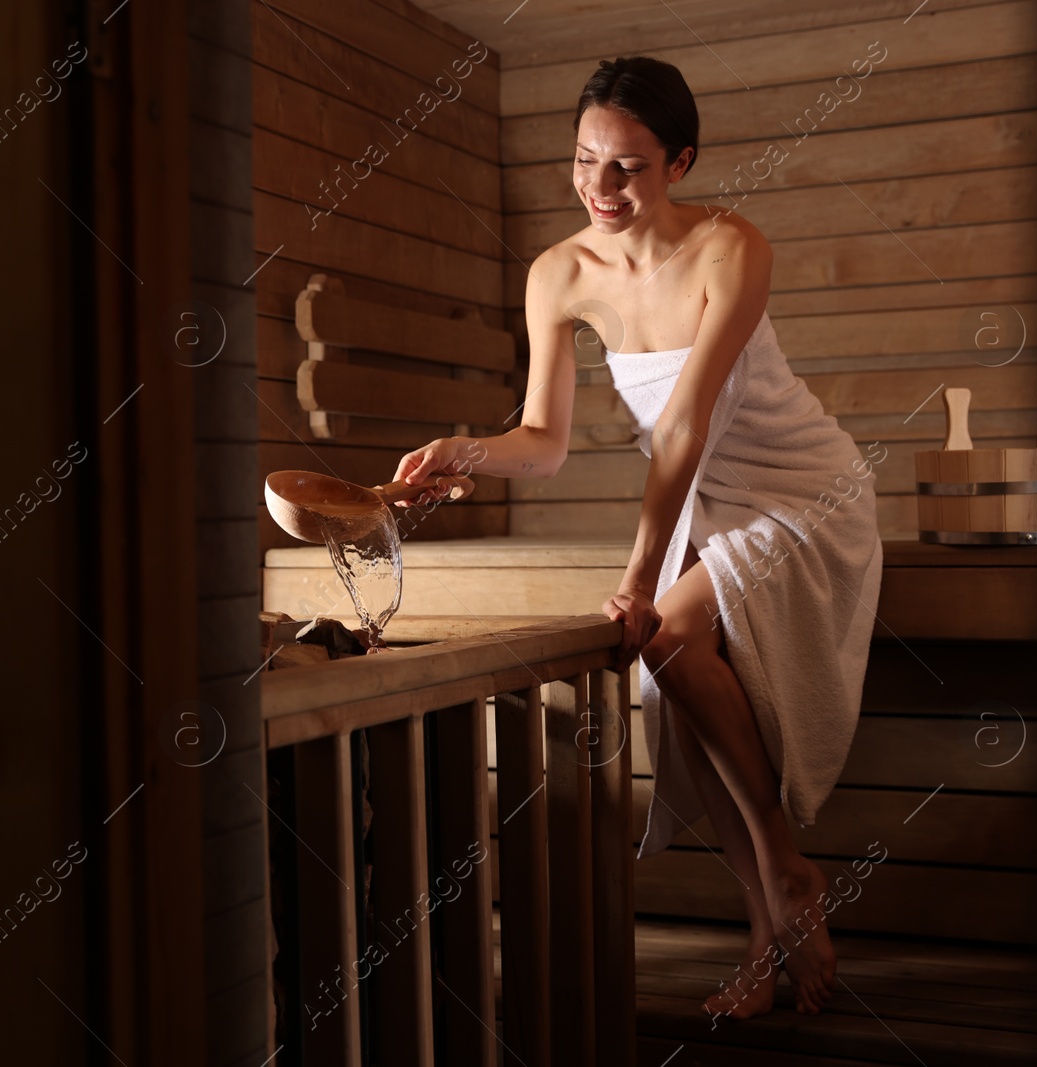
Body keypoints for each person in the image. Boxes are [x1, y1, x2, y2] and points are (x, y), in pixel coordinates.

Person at [392, 55, 884, 1021]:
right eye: (584, 161)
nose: (600, 188)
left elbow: (686, 425)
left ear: (682, 163)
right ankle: (770, 916)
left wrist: (638, 578)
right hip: (706, 503)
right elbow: (544, 443)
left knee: (658, 635)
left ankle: (784, 874)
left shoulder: (731, 248)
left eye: (628, 167)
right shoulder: (559, 274)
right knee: (683, 687)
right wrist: (465, 451)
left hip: (804, 492)